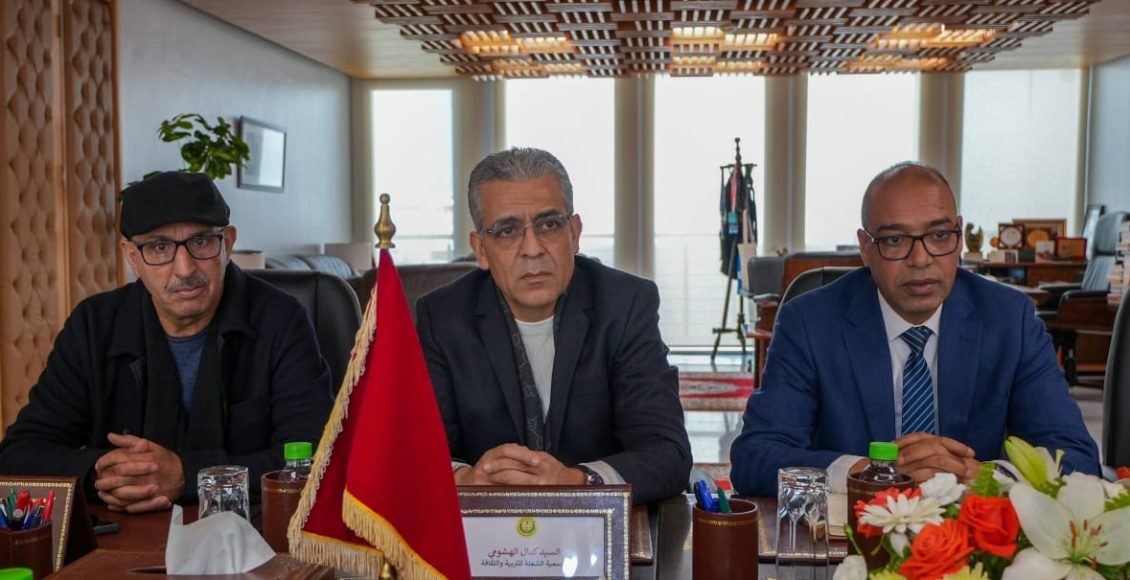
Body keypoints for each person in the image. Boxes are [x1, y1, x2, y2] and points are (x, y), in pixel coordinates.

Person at [729, 162, 1100, 496]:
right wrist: (874, 473)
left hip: (973, 536)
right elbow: (755, 458)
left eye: (939, 236)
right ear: (865, 247)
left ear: (959, 235)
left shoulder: (1009, 319)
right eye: (895, 240)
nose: (920, 259)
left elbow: (1077, 460)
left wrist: (975, 476)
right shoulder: (810, 322)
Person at [0, 171, 334, 513]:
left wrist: (188, 475)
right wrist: (103, 472)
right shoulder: (94, 326)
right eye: (159, 247)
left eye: (201, 242)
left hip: (249, 531)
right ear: (132, 257)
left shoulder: (281, 319)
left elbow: (317, 457)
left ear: (228, 243)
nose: (185, 269)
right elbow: (19, 453)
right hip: (123, 534)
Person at [415, 147, 691, 504]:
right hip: (486, 527)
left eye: (549, 225)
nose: (532, 249)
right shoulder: (443, 317)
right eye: (507, 231)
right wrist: (465, 479)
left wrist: (577, 481)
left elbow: (667, 452)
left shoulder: (625, 305)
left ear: (574, 234)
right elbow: (415, 450)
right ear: (480, 249)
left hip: (597, 526)